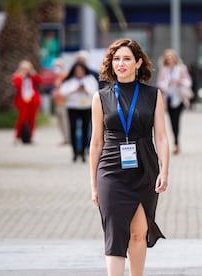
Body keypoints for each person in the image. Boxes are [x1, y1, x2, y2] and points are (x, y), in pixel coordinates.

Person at [89, 38, 170, 276]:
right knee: (114, 236)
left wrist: (164, 171)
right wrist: (93, 186)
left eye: (126, 59)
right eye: (116, 59)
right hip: (111, 170)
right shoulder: (100, 97)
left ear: (138, 63)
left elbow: (162, 138)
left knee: (138, 233)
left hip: (145, 168)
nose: (121, 64)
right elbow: (95, 143)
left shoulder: (153, 95)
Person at [59, 62, 98, 162]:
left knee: (86, 129)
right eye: (77, 71)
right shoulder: (70, 80)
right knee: (73, 129)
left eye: (81, 71)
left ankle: (84, 151)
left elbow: (95, 93)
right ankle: (75, 152)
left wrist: (86, 90)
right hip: (73, 107)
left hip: (86, 107)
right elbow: (62, 92)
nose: (79, 73)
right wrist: (74, 90)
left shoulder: (90, 79)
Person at [157, 48, 193, 155]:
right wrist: (167, 83)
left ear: (174, 58)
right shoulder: (164, 70)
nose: (169, 59)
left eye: (171, 57)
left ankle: (176, 143)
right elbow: (160, 84)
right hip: (168, 99)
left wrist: (180, 81)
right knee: (172, 121)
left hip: (179, 98)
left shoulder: (181, 68)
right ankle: (176, 142)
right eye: (167, 57)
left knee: (176, 120)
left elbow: (188, 82)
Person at [12, 60, 42, 144]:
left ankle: (31, 136)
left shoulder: (32, 77)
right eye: (24, 69)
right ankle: (17, 137)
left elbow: (40, 81)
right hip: (23, 102)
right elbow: (16, 85)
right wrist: (21, 76)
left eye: (27, 69)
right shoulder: (17, 77)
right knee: (21, 119)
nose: (25, 71)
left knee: (32, 119)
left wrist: (33, 73)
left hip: (33, 100)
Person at [51, 58, 70, 145]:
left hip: (65, 102)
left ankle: (68, 138)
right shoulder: (56, 77)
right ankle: (64, 138)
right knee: (60, 121)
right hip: (58, 101)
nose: (56, 68)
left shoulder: (65, 76)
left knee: (65, 121)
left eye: (57, 66)